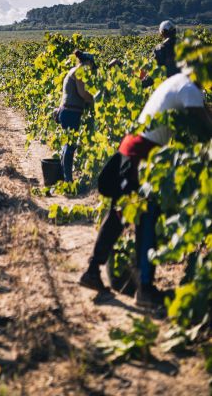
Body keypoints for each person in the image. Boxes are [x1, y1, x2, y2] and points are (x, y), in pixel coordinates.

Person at [79, 71, 212, 308]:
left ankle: (93, 271)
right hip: (141, 157)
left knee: (120, 215)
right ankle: (145, 289)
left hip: (131, 150)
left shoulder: (177, 82)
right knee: (146, 217)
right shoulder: (190, 90)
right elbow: (205, 129)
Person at [58, 49, 96, 182]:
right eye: (92, 65)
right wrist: (97, 99)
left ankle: (64, 177)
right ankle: (67, 179)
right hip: (71, 112)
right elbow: (83, 94)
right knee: (70, 146)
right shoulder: (79, 72)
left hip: (68, 112)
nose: (91, 69)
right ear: (88, 62)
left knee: (67, 145)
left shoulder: (73, 70)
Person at [141, 20, 179, 87]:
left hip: (168, 87)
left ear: (162, 33)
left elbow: (155, 72)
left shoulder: (160, 48)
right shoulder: (185, 45)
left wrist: (141, 84)